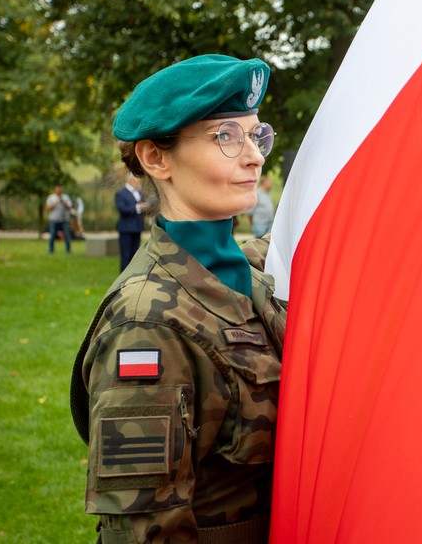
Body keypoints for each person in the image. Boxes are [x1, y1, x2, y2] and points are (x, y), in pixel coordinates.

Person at [70, 54, 285, 544]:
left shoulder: (244, 268)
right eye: (226, 136)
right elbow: (145, 528)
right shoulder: (147, 324)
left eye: (256, 135)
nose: (253, 154)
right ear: (156, 158)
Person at [115, 174, 147, 271]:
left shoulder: (140, 193)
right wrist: (138, 207)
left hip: (137, 227)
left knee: (135, 255)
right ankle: (123, 280)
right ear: (131, 180)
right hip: (126, 228)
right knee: (126, 255)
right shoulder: (121, 193)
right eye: (138, 180)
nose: (139, 182)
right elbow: (122, 209)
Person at [46, 184, 74, 254]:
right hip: (54, 220)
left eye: (60, 189)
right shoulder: (51, 197)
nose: (59, 191)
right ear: (55, 190)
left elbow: (70, 207)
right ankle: (51, 250)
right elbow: (48, 208)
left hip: (64, 220)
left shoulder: (66, 197)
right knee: (52, 235)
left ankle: (68, 250)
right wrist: (56, 202)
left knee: (67, 235)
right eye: (57, 189)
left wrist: (63, 202)